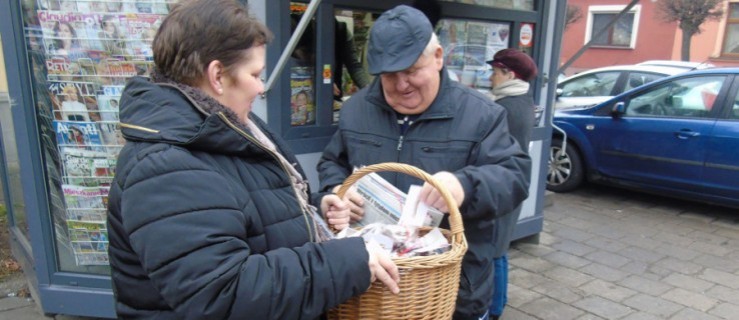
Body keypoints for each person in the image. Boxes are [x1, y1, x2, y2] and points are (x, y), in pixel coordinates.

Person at [106, 1, 399, 319]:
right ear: (217, 75)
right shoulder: (163, 167)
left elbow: (253, 209)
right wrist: (347, 262)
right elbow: (226, 294)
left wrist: (315, 209)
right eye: (255, 74)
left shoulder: (225, 124)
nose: (261, 87)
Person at [317, 5, 531, 320]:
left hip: (451, 294)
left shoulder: (481, 115)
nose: (401, 84)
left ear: (438, 57)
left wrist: (464, 186)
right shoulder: (356, 109)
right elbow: (332, 163)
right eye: (390, 74)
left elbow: (515, 178)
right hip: (369, 293)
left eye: (412, 70)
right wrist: (334, 192)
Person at [485, 48, 538, 320]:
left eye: (495, 72)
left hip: (503, 186)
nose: (491, 77)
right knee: (501, 247)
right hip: (512, 185)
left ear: (510, 74)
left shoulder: (506, 108)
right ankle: (499, 303)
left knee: (495, 250)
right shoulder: (521, 99)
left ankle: (494, 309)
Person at [333, 19, 371, 100]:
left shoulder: (342, 31)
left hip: (333, 97)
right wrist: (323, 80)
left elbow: (354, 66)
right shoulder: (306, 25)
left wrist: (367, 88)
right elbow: (301, 61)